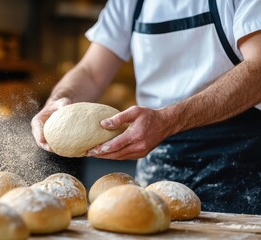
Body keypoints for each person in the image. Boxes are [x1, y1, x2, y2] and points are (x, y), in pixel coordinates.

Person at [31, 0, 261, 214]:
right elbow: (91, 72)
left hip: (240, 166)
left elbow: (258, 69)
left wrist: (168, 120)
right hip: (157, 166)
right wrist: (59, 101)